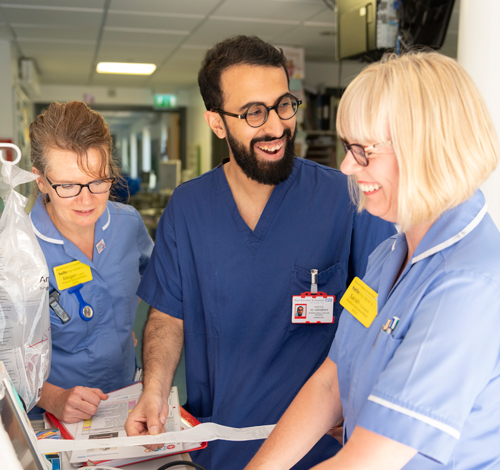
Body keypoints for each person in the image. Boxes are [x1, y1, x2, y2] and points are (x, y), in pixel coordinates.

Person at [124, 35, 395, 470]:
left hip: (323, 449)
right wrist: (154, 390)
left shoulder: (345, 197)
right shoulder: (189, 208)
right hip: (220, 445)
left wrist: (362, 399)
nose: (275, 126)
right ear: (217, 123)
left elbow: (382, 309)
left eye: (283, 105)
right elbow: (168, 315)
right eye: (253, 112)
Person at [244, 51, 500, 470]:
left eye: (364, 151)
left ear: (425, 150)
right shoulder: (388, 255)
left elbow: (368, 462)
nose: (347, 166)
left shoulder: (469, 285)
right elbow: (332, 380)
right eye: (349, 148)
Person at [29, 101, 153, 423]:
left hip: (127, 398)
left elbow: (161, 281)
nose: (86, 200)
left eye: (98, 181)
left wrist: (136, 329)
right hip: (56, 419)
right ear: (41, 181)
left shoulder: (127, 224)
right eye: (68, 186)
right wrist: (54, 398)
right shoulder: (20, 249)